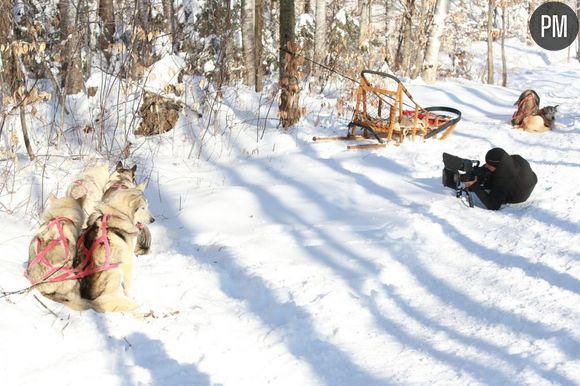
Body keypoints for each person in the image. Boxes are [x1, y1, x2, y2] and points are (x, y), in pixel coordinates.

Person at [463, 147, 537, 210]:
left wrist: (475, 185)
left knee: (487, 181)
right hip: (528, 178)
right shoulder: (515, 159)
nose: (486, 166)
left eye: (489, 165)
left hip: (518, 194)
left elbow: (492, 205)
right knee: (486, 172)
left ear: (498, 166)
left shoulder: (503, 182)